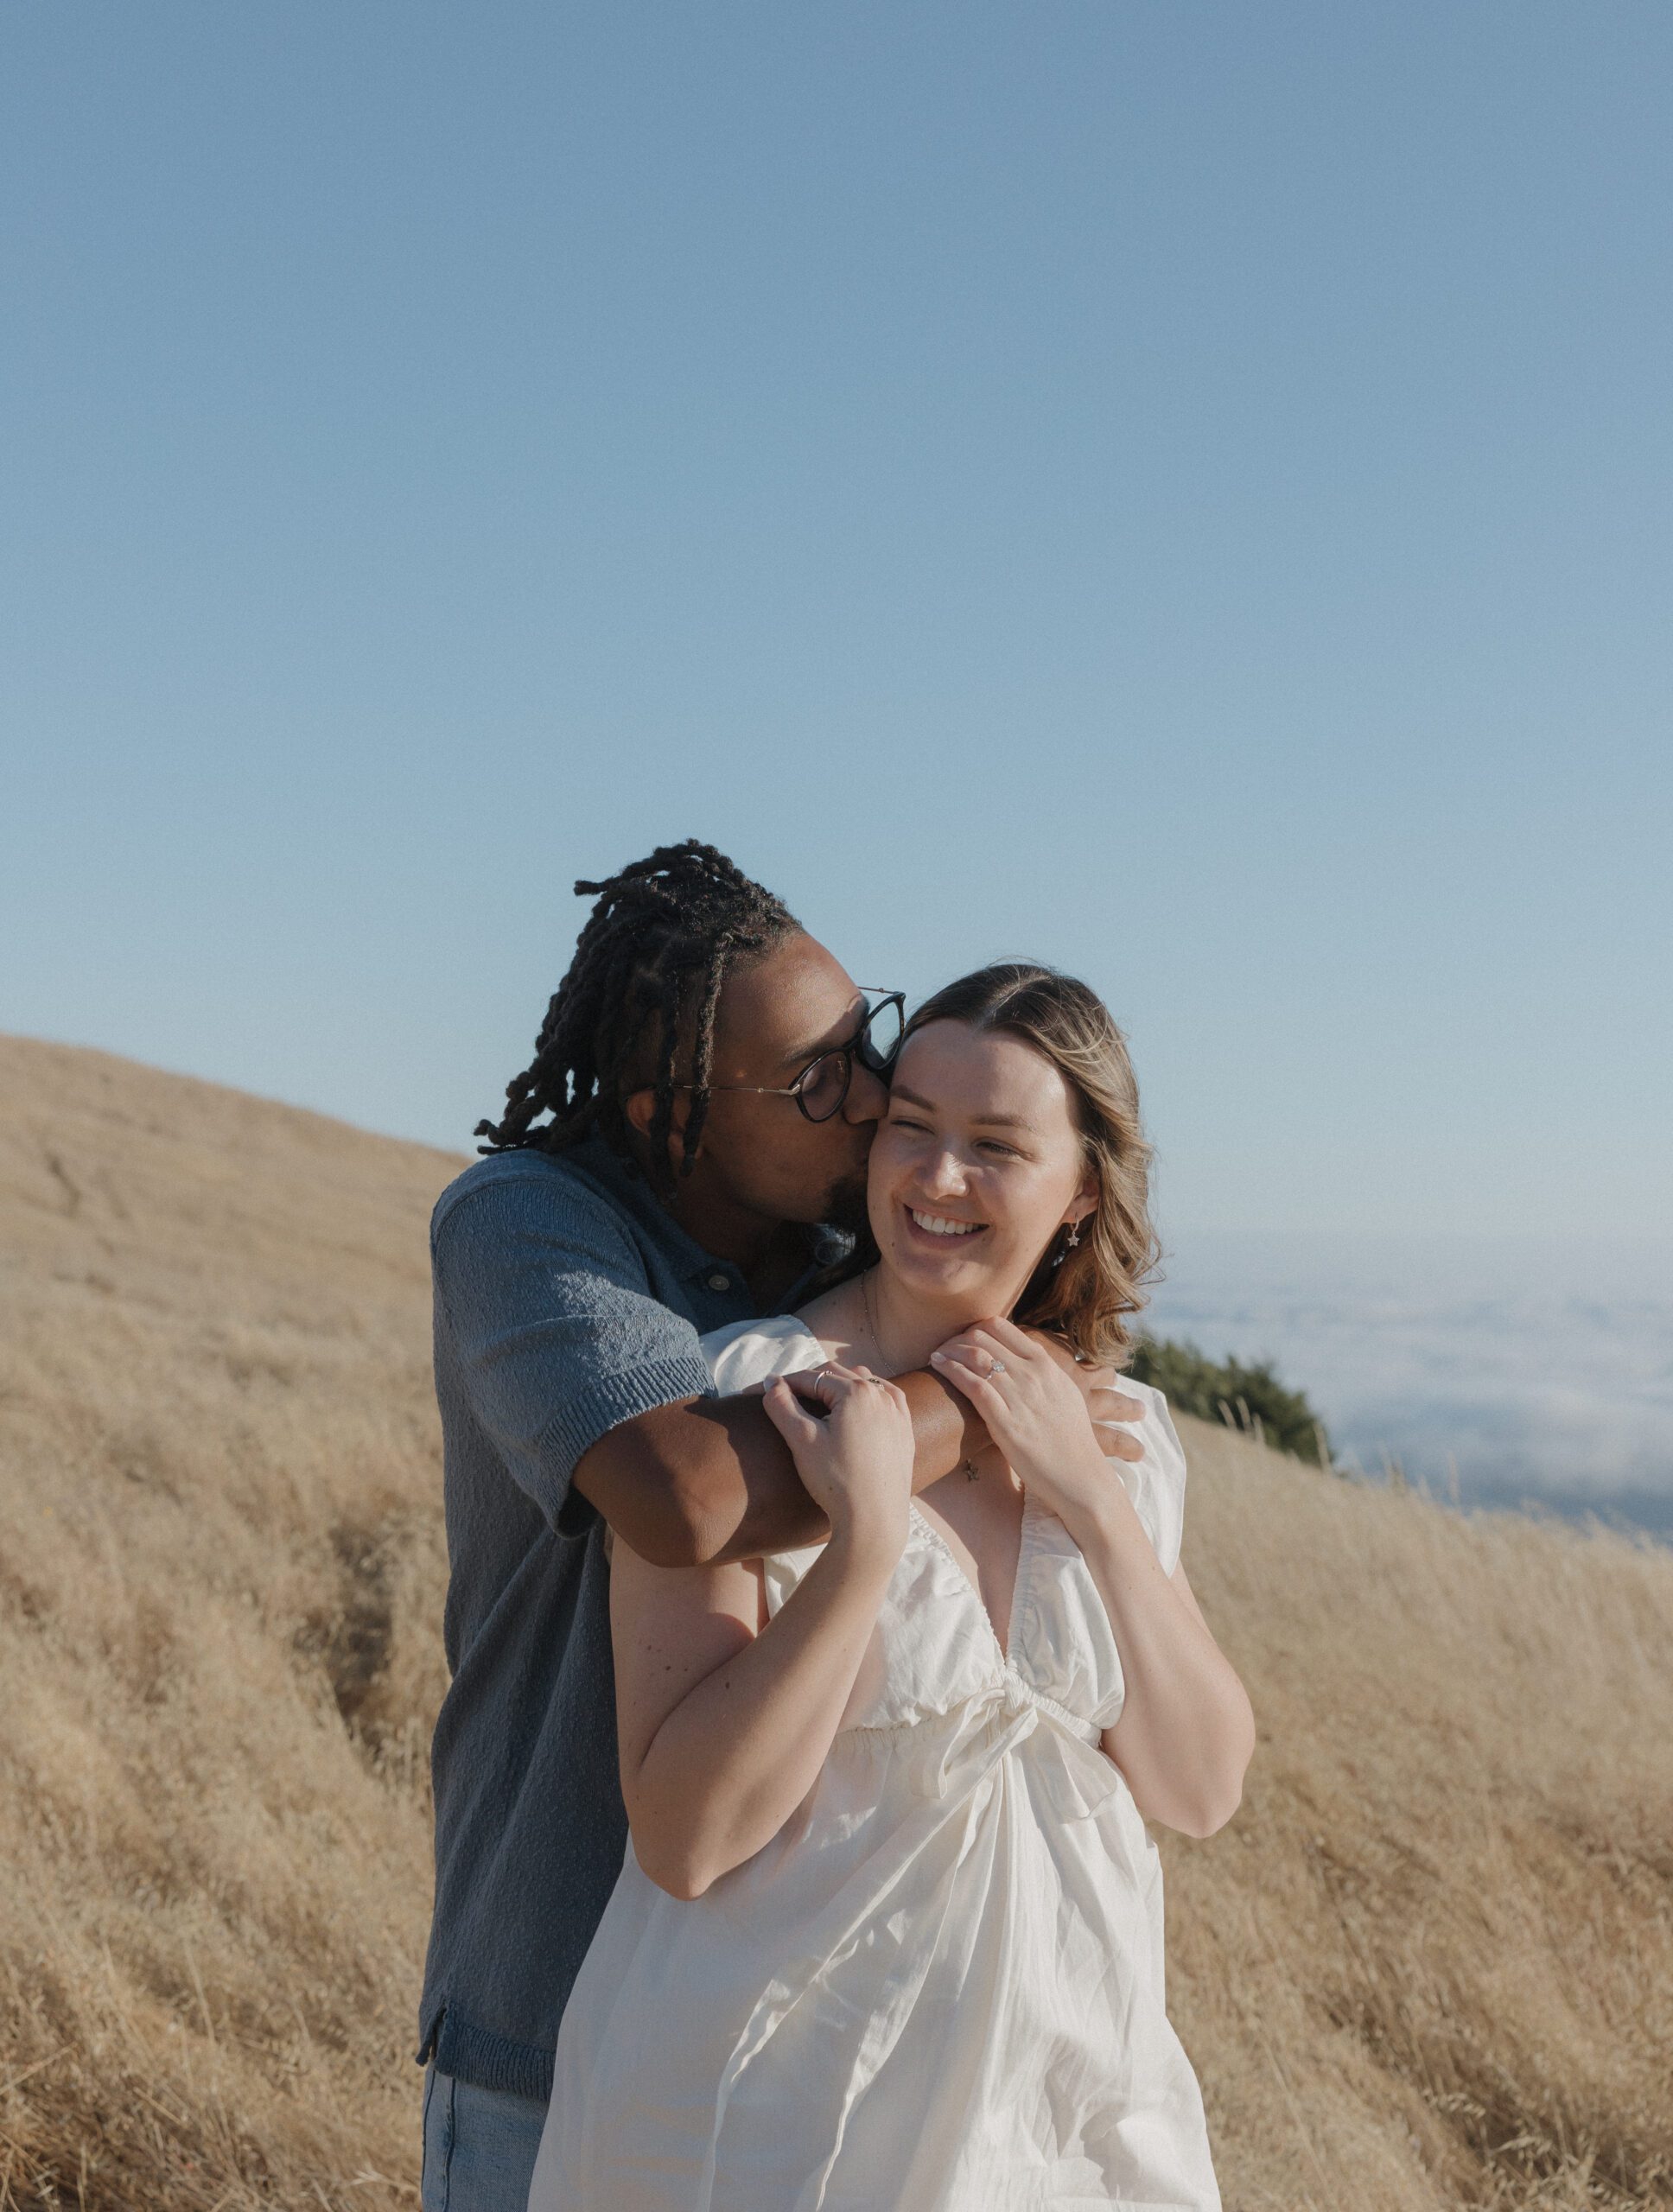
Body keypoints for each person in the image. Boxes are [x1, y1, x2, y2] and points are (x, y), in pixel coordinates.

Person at [417, 846, 1146, 2211]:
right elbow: (684, 1497)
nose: (870, 1102)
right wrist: (987, 1401)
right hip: (549, 1973)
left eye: (862, 1045)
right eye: (817, 1083)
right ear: (664, 1106)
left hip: (778, 2041)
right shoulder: (531, 1226)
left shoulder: (820, 1263)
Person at [531, 961, 1253, 2211]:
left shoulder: (1122, 1430)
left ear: (1082, 1187)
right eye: (910, 1128)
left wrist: (1090, 1500)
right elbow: (688, 1837)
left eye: (994, 1145)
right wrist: (862, 1548)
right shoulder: (745, 1400)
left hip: (1068, 2127)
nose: (936, 1177)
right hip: (775, 2130)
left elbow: (1198, 1789)